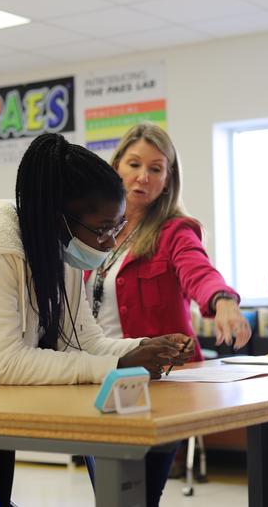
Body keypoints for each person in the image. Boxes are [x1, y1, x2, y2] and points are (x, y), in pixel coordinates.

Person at [0, 133, 193, 507]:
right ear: (60, 218)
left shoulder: (62, 247)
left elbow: (86, 341)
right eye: (102, 229)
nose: (109, 242)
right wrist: (118, 363)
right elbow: (9, 362)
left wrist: (145, 349)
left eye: (116, 228)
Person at [82, 122, 251, 506]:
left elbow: (198, 271)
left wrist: (223, 300)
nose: (143, 176)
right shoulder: (93, 233)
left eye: (156, 168)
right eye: (134, 164)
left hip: (155, 382)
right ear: (116, 168)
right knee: (110, 493)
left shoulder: (176, 232)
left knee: (138, 496)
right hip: (97, 374)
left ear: (167, 178)